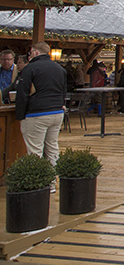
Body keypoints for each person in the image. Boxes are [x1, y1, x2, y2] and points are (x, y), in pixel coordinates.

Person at [15, 42, 67, 189]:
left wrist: (20, 115)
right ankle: (51, 184)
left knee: (35, 149)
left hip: (36, 113)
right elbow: (64, 90)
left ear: (35, 53)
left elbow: (22, 93)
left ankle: (38, 184)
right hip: (56, 112)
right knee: (52, 148)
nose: (29, 56)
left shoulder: (30, 68)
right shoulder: (59, 69)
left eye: (30, 53)